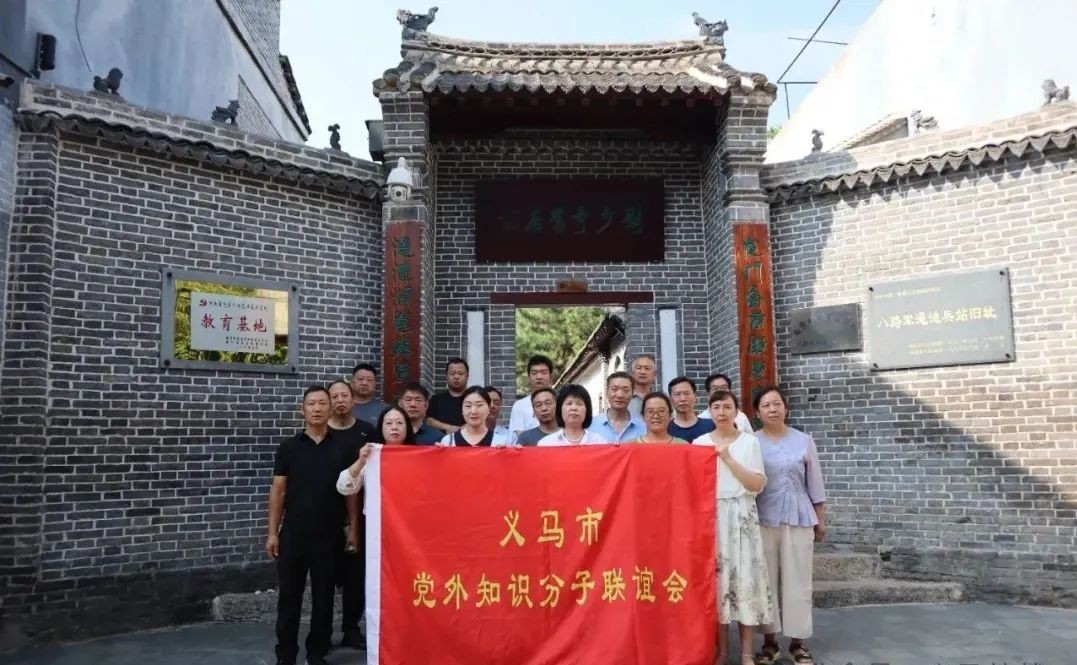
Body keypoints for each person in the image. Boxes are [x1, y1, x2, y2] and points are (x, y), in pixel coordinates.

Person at [267, 386, 355, 665]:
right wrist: (272, 533)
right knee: (288, 597)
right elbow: (278, 491)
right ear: (302, 410)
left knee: (324, 597)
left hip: (329, 535)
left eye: (322, 403)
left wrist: (354, 529)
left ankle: (317, 653)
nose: (317, 408)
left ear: (330, 408)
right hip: (294, 534)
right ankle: (286, 655)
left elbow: (351, 492)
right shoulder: (289, 448)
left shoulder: (343, 448)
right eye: (311, 404)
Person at [692, 390, 772, 665]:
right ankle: (722, 651)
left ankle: (747, 653)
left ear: (736, 411)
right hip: (712, 518)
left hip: (742, 516)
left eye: (727, 407)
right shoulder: (700, 443)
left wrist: (727, 459)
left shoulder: (750, 442)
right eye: (716, 407)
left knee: (745, 581)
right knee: (718, 585)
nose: (722, 412)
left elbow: (756, 484)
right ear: (710, 412)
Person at [752, 386, 827, 665]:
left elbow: (815, 483)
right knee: (766, 582)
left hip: (799, 517)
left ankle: (798, 642)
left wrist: (821, 519)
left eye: (777, 404)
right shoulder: (751, 442)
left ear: (786, 407)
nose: (772, 409)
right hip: (763, 518)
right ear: (757, 412)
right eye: (766, 405)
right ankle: (769, 643)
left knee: (798, 582)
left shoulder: (804, 441)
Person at [325, 380, 370, 650]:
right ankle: (322, 632)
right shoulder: (320, 433)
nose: (340, 400)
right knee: (325, 578)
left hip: (361, 515)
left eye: (345, 395)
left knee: (356, 578)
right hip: (325, 516)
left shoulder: (367, 432)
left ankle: (351, 629)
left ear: (353, 400)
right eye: (335, 396)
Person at [336, 405, 416, 496]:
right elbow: (344, 488)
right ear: (381, 428)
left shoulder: (418, 457)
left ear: (407, 427)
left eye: (399, 423)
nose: (394, 427)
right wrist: (360, 462)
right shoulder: (372, 455)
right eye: (388, 423)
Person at [437, 386, 514, 447]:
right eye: (468, 406)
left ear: (488, 408)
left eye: (479, 405)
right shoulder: (448, 442)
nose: (473, 411)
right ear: (462, 410)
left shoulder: (501, 442)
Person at [538, 384, 605, 446]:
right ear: (560, 409)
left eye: (579, 404)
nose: (574, 408)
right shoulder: (546, 444)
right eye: (569, 403)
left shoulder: (599, 442)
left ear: (587, 410)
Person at [590, 371, 646, 443]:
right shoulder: (591, 426)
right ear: (607, 392)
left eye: (625, 390)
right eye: (614, 389)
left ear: (632, 393)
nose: (619, 395)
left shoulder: (643, 428)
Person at [508, 354, 554, 435]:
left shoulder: (561, 402)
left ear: (551, 376)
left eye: (543, 373)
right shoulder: (519, 405)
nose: (539, 377)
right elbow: (520, 435)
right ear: (529, 377)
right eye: (534, 373)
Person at [427, 358, 469, 434]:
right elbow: (429, 420)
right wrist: (448, 427)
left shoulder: (473, 399)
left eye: (460, 373)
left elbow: (483, 418)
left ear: (467, 376)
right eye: (452, 373)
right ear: (446, 376)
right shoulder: (436, 399)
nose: (456, 377)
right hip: (441, 439)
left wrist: (466, 427)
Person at [668, 376, 716, 441]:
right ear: (670, 399)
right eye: (678, 394)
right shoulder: (665, 429)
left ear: (695, 396)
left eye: (686, 393)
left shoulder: (711, 425)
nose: (683, 399)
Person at [627, 354, 657, 418]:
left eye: (647, 368)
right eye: (639, 368)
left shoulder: (660, 399)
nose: (642, 372)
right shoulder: (624, 398)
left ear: (654, 374)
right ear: (632, 373)